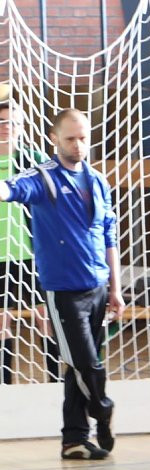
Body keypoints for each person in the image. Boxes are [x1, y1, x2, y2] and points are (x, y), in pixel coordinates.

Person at [0, 108, 125, 460]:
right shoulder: (44, 178)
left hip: (98, 287)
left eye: (83, 137)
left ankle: (74, 439)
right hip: (64, 291)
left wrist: (115, 288)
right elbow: (11, 189)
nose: (79, 144)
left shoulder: (98, 181)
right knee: (87, 364)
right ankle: (103, 408)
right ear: (54, 139)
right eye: (71, 138)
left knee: (78, 365)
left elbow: (108, 236)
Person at [0, 97, 61, 385]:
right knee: (2, 323)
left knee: (45, 317)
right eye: (3, 122)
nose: (8, 127)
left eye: (14, 122)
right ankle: (5, 386)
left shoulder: (33, 160)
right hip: (1, 256)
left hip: (33, 255)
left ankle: (54, 382)